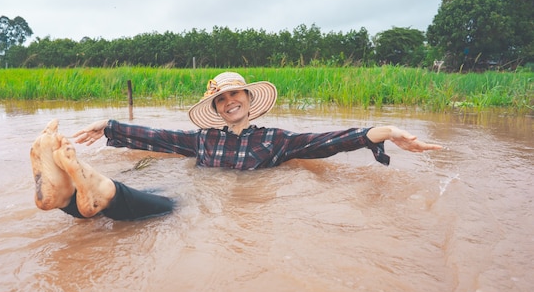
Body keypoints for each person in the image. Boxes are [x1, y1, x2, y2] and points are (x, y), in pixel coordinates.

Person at [73, 72, 442, 170]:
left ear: (249, 100)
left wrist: (389, 131)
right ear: (216, 109)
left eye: (236, 95)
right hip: (206, 206)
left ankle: (102, 196)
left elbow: (333, 140)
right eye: (222, 99)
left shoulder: (276, 140)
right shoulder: (202, 141)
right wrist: (109, 126)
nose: (230, 102)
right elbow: (157, 136)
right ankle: (96, 191)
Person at [30, 119, 174, 220]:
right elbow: (159, 137)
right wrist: (108, 126)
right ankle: (72, 195)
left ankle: (68, 199)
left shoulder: (194, 138)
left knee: (174, 204)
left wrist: (109, 126)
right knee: (171, 200)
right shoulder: (195, 138)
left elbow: (159, 137)